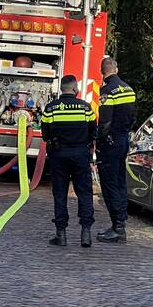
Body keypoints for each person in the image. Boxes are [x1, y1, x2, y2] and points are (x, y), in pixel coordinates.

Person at [41, 75, 96, 247]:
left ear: (62, 89)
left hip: (59, 155)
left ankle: (61, 234)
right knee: (84, 193)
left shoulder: (51, 108)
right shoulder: (85, 108)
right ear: (75, 89)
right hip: (80, 154)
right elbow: (93, 131)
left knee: (60, 194)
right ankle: (86, 234)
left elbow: (45, 135)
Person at [95, 56, 137, 243]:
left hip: (110, 143)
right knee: (120, 182)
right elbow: (133, 116)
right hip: (123, 139)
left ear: (102, 72)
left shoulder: (107, 91)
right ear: (116, 69)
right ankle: (121, 222)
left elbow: (105, 121)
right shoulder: (128, 89)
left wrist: (98, 141)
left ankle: (117, 227)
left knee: (109, 183)